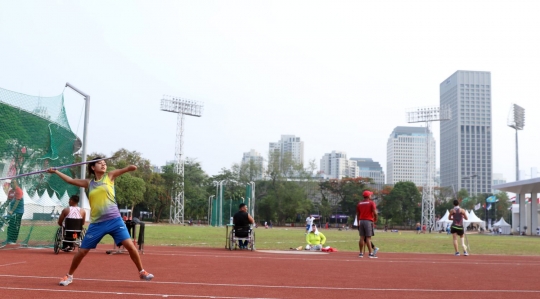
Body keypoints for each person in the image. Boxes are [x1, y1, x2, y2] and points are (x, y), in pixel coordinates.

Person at [47, 157, 153, 286]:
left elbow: (126, 169)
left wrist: (130, 168)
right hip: (97, 224)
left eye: (105, 163)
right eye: (100, 163)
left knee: (130, 246)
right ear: (92, 167)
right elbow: (70, 180)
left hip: (115, 220)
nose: (103, 165)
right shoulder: (88, 183)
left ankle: (142, 272)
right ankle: (69, 276)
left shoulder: (110, 176)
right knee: (82, 252)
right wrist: (56, 171)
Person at [356, 190, 378, 258]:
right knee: (368, 238)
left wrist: (358, 223)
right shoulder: (371, 203)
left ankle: (360, 253)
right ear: (368, 196)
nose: (371, 196)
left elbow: (358, 214)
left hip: (361, 221)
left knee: (361, 237)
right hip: (368, 221)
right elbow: (375, 212)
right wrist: (375, 219)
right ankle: (371, 253)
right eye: (370, 195)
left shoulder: (359, 203)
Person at [4, 179, 24, 244]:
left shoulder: (19, 191)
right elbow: (8, 201)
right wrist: (3, 206)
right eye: (11, 183)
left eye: (13, 183)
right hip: (12, 211)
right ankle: (9, 238)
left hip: (18, 211)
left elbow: (17, 202)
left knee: (16, 225)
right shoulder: (10, 191)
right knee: (10, 225)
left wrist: (12, 211)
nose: (11, 184)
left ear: (16, 183)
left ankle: (13, 240)